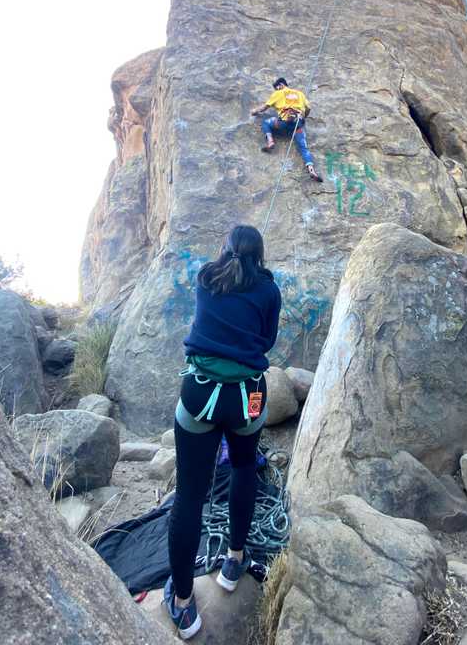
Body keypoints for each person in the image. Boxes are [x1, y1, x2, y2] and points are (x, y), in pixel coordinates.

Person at [164, 225, 282, 639]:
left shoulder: (204, 278)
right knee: (245, 468)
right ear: (260, 255)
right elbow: (266, 339)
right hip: (246, 396)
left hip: (200, 394)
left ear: (225, 249)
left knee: (190, 495)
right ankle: (234, 562)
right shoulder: (268, 290)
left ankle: (182, 604)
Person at [251, 77, 323, 182]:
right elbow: (308, 108)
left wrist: (254, 111)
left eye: (277, 88)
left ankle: (270, 141)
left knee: (266, 123)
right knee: (303, 148)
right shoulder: (300, 94)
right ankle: (311, 170)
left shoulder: (278, 93)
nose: (276, 90)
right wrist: (304, 117)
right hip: (298, 125)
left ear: (280, 85)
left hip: (283, 123)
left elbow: (264, 108)